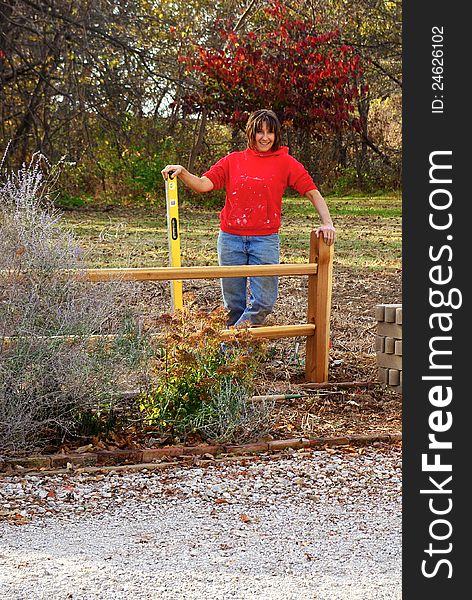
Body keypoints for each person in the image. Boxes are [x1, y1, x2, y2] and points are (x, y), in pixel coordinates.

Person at [161, 109, 335, 327]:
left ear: (276, 135)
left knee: (264, 302)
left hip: (265, 240)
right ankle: (240, 357)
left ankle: (227, 344)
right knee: (234, 306)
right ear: (250, 133)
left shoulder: (285, 162)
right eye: (259, 131)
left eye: (270, 132)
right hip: (230, 239)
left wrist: (327, 222)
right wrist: (184, 172)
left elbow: (312, 191)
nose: (265, 137)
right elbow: (204, 184)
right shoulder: (233, 161)